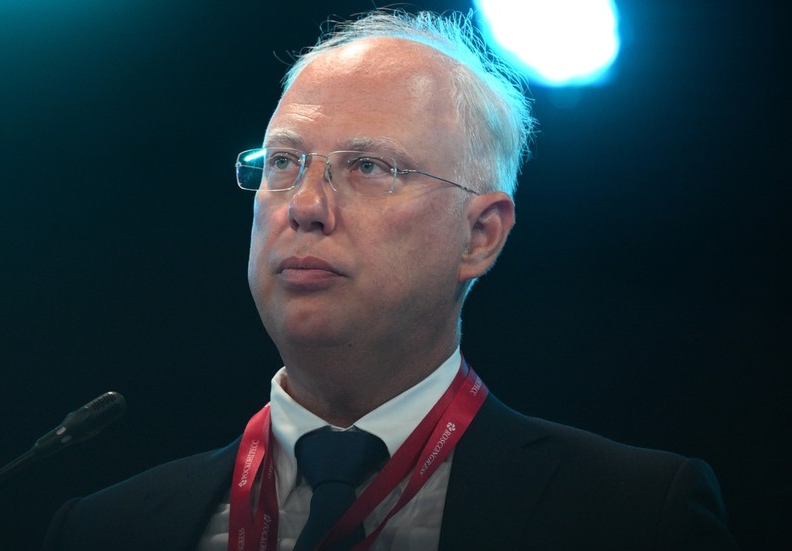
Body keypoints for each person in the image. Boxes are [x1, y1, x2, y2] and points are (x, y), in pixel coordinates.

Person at [43, 10, 736, 550]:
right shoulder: (106, 530)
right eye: (283, 162)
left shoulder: (632, 516)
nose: (305, 206)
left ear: (480, 235)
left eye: (369, 167)